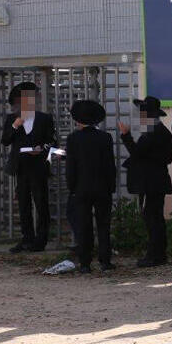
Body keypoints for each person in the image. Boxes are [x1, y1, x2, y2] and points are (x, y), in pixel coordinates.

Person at [1, 81, 58, 253]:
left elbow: (53, 143)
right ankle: (26, 239)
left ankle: (41, 241)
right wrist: (15, 126)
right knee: (23, 205)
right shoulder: (12, 119)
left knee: (42, 205)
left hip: (38, 167)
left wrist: (42, 150)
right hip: (21, 168)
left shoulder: (45, 118)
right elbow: (5, 141)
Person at [119, 96, 172, 268]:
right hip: (158, 182)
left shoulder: (152, 134)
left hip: (150, 183)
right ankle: (160, 253)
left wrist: (126, 135)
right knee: (156, 218)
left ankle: (154, 255)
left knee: (151, 219)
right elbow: (166, 159)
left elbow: (136, 152)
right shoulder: (163, 132)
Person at [66, 100, 116, 273]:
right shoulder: (105, 137)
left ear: (78, 119)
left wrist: (71, 187)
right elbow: (110, 165)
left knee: (83, 226)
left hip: (81, 188)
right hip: (102, 188)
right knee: (104, 225)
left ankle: (85, 262)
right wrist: (111, 186)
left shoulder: (73, 139)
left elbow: (71, 166)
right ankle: (105, 260)